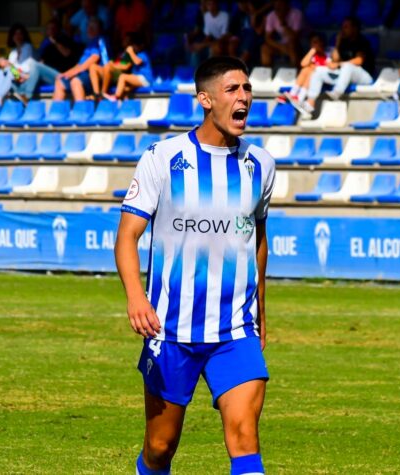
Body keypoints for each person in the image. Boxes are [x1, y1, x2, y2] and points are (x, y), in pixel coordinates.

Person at [115, 56, 275, 475]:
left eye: (247, 88)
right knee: (160, 447)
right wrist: (136, 297)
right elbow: (127, 236)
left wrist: (262, 311)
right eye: (232, 89)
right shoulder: (162, 158)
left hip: (235, 330)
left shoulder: (261, 164)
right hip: (170, 329)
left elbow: (256, 238)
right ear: (205, 99)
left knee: (245, 439)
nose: (244, 97)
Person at [299, 17, 374, 118]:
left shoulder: (362, 41)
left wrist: (339, 65)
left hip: (364, 77)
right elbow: (335, 59)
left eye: (346, 27)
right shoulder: (343, 42)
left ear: (355, 28)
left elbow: (359, 61)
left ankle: (337, 93)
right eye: (343, 27)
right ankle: (310, 104)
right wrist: (338, 43)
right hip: (345, 76)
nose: (343, 29)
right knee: (319, 70)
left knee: (348, 66)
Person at [53, 17, 109, 101]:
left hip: (93, 75)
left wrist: (74, 72)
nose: (89, 29)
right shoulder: (89, 44)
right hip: (83, 73)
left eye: (93, 28)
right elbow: (80, 64)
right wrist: (66, 73)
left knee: (75, 81)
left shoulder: (100, 40)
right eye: (89, 27)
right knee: (60, 81)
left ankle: (81, 111)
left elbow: (94, 58)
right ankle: (56, 112)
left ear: (99, 30)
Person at [0, 24, 34, 104]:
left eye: (20, 34)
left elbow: (23, 67)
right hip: (17, 75)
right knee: (2, 70)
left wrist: (7, 63)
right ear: (12, 37)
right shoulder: (13, 51)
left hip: (25, 76)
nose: (18, 36)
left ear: (24, 36)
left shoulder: (28, 47)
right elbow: (10, 67)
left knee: (10, 71)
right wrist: (4, 63)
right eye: (15, 34)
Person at [92, 32, 152, 101]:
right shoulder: (121, 53)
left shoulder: (142, 54)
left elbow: (136, 62)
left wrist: (130, 52)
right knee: (94, 67)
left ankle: (114, 96)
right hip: (135, 78)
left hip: (145, 78)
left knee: (122, 77)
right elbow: (113, 62)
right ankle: (97, 95)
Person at [282, 32, 329, 104]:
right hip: (314, 80)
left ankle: (300, 97)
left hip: (326, 79)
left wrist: (314, 66)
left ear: (322, 42)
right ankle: (293, 93)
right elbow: (303, 64)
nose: (314, 45)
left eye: (316, 42)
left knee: (312, 72)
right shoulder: (313, 53)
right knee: (306, 69)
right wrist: (312, 51)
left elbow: (330, 67)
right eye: (312, 43)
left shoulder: (329, 52)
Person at [260, 0, 304, 67]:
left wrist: (283, 23)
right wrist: (280, 47)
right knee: (265, 48)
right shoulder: (271, 16)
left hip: (298, 43)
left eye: (280, 4)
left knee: (292, 44)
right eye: (276, 4)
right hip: (281, 45)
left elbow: (295, 37)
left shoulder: (297, 14)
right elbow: (267, 38)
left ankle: (293, 72)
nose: (278, 7)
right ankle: (267, 74)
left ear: (287, 4)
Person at [188, 0, 230, 67]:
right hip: (213, 41)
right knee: (195, 50)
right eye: (208, 4)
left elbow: (223, 38)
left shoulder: (225, 16)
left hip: (225, 42)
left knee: (214, 48)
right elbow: (208, 35)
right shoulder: (206, 16)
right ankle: (194, 72)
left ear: (217, 4)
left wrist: (202, 45)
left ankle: (210, 73)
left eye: (212, 4)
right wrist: (200, 45)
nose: (211, 6)